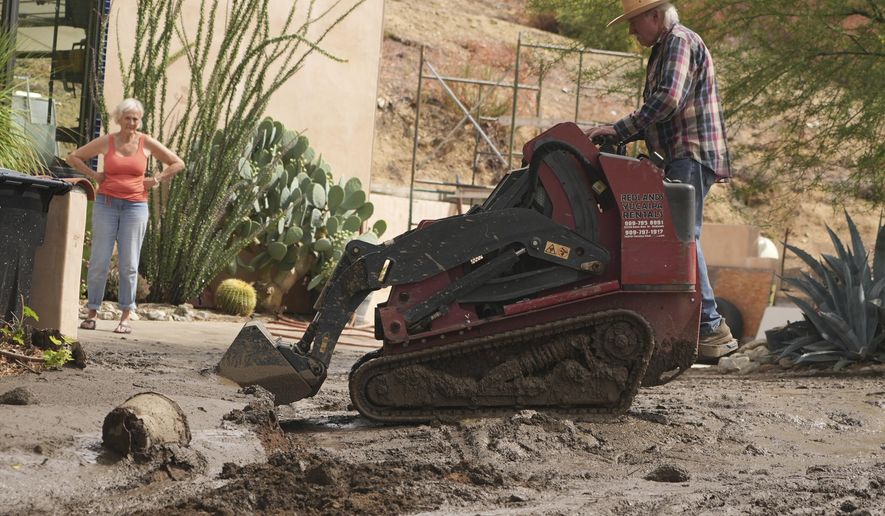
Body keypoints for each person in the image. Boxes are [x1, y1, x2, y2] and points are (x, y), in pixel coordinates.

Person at [585, 0, 737, 359]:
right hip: (681, 154)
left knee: (683, 236)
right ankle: (704, 324)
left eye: (634, 23)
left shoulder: (678, 42)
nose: (631, 31)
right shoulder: (664, 48)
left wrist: (619, 129)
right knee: (681, 234)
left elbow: (668, 100)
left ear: (655, 16)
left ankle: (710, 326)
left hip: (691, 153)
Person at [66, 98, 184, 334]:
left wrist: (156, 179)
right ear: (118, 119)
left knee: (129, 263)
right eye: (127, 118)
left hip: (135, 207)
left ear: (139, 120)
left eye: (136, 118)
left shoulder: (146, 142)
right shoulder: (107, 141)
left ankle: (126, 316)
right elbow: (73, 157)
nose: (132, 122)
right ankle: (91, 312)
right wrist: (94, 175)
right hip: (106, 205)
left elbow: (177, 162)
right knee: (99, 260)